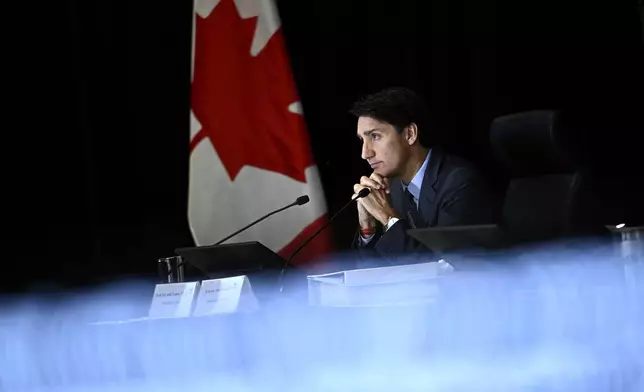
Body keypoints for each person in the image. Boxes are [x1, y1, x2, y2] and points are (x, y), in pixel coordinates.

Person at [350, 87, 500, 266]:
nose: (365, 153)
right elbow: (370, 272)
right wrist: (368, 228)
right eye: (362, 140)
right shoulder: (392, 187)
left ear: (410, 134)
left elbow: (441, 267)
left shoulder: (460, 182)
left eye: (375, 136)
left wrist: (387, 217)